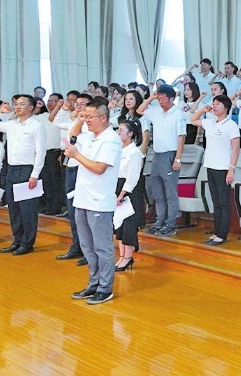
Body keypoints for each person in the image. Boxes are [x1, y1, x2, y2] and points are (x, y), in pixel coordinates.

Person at [65, 100, 122, 305]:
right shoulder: (90, 136)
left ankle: (105, 288)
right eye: (86, 117)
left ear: (103, 118)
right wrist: (80, 119)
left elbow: (99, 168)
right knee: (87, 246)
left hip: (99, 201)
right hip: (82, 199)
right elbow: (72, 134)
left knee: (102, 247)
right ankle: (93, 284)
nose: (87, 121)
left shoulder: (111, 140)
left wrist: (77, 155)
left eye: (90, 117)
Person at [0, 95, 47, 256]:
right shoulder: (11, 125)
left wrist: (35, 174)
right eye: (16, 104)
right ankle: (17, 240)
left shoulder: (36, 126)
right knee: (13, 208)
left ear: (31, 107)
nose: (17, 107)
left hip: (27, 170)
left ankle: (28, 243)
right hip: (12, 169)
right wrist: (0, 112)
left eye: (22, 104)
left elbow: (41, 152)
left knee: (27, 209)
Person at [137, 85, 187, 236]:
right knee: (157, 192)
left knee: (170, 192)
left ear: (172, 99)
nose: (161, 102)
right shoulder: (156, 111)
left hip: (171, 154)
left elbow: (181, 137)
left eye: (163, 99)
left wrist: (178, 158)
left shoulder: (178, 114)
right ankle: (160, 221)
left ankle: (170, 224)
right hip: (157, 154)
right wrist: (151, 98)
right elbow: (140, 111)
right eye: (159, 99)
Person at [193, 95, 241, 245]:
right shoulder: (210, 122)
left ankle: (222, 234)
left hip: (223, 168)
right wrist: (203, 109)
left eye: (218, 104)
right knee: (215, 201)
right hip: (210, 166)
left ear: (226, 107)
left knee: (223, 202)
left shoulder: (231, 125)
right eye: (213, 104)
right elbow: (193, 120)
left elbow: (236, 149)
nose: (214, 106)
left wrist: (231, 169)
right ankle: (216, 232)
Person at [54, 93, 92, 264]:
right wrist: (65, 108)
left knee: (84, 211)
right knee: (72, 210)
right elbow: (55, 121)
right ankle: (76, 246)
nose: (79, 107)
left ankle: (88, 251)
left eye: (83, 104)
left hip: (85, 169)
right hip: (71, 167)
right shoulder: (74, 123)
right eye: (77, 104)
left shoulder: (92, 126)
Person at [114, 119, 145, 272]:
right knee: (119, 224)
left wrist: (121, 195)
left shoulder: (135, 153)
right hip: (117, 188)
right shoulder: (118, 150)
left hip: (129, 192)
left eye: (121, 130)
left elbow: (132, 178)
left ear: (131, 133)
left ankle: (128, 257)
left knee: (129, 226)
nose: (118, 132)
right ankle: (121, 255)